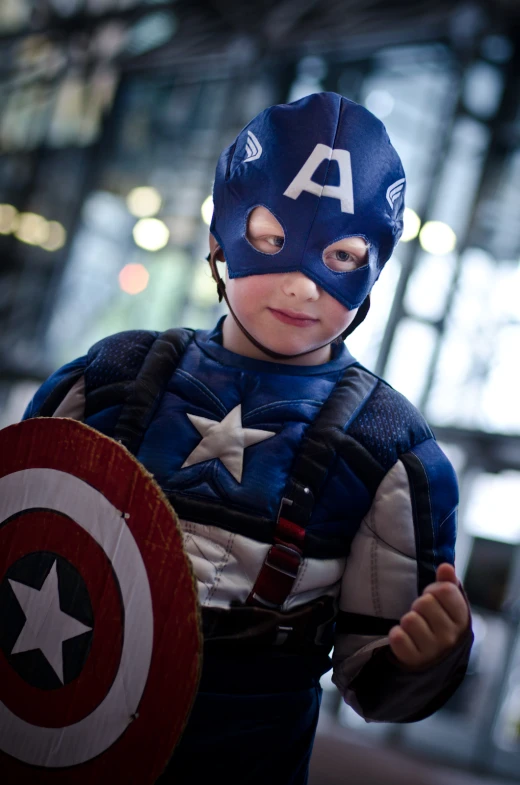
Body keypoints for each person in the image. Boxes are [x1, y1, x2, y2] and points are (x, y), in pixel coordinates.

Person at [23, 92, 472, 784]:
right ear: (219, 236)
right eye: (270, 239)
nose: (300, 283)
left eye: (343, 253)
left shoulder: (389, 452)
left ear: (376, 269)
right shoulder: (108, 378)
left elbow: (372, 680)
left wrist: (423, 657)